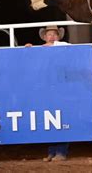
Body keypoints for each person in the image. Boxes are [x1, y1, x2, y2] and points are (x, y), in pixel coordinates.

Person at [26, 25, 69, 161]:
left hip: (60, 87)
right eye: (49, 34)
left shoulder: (62, 46)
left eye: (54, 34)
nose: (51, 37)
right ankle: (51, 152)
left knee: (61, 119)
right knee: (48, 120)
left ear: (58, 37)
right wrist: (30, 49)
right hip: (45, 88)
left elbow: (69, 47)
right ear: (44, 37)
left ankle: (61, 152)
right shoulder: (40, 50)